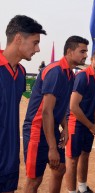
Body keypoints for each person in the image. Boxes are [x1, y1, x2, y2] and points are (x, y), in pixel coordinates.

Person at [23, 36, 89, 193]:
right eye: (82, 51)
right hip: (36, 130)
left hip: (50, 128)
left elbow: (62, 105)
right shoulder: (55, 72)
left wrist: (65, 127)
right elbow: (46, 112)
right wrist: (52, 148)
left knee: (59, 168)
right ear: (69, 51)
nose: (86, 55)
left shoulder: (70, 75)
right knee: (34, 180)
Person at [0, 15, 46, 193]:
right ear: (18, 38)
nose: (38, 48)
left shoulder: (20, 73)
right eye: (35, 42)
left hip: (10, 158)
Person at [65, 47, 95, 193]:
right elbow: (73, 106)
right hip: (75, 124)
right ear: (92, 60)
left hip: (89, 124)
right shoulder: (82, 77)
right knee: (72, 160)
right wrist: (92, 126)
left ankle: (82, 188)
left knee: (85, 155)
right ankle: (71, 191)